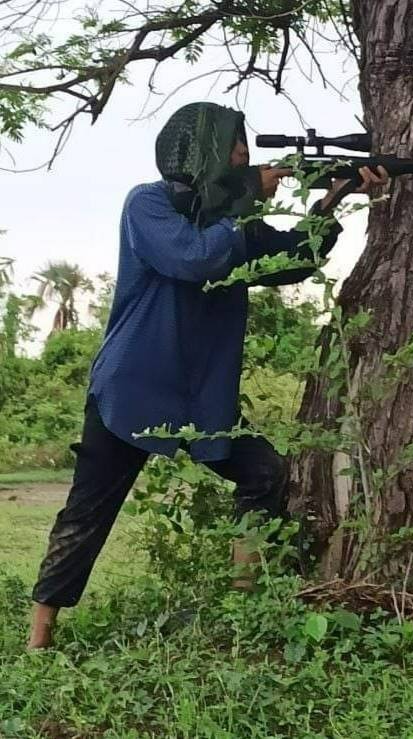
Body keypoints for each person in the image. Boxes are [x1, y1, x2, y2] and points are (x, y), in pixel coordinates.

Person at [28, 102, 389, 649]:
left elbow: (294, 260)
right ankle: (39, 638)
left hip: (201, 397)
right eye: (237, 150)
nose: (247, 159)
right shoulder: (148, 203)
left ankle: (244, 606)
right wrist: (243, 204)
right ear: (202, 154)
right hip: (133, 388)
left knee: (264, 472)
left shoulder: (233, 222)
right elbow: (191, 258)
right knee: (88, 509)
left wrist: (333, 200)